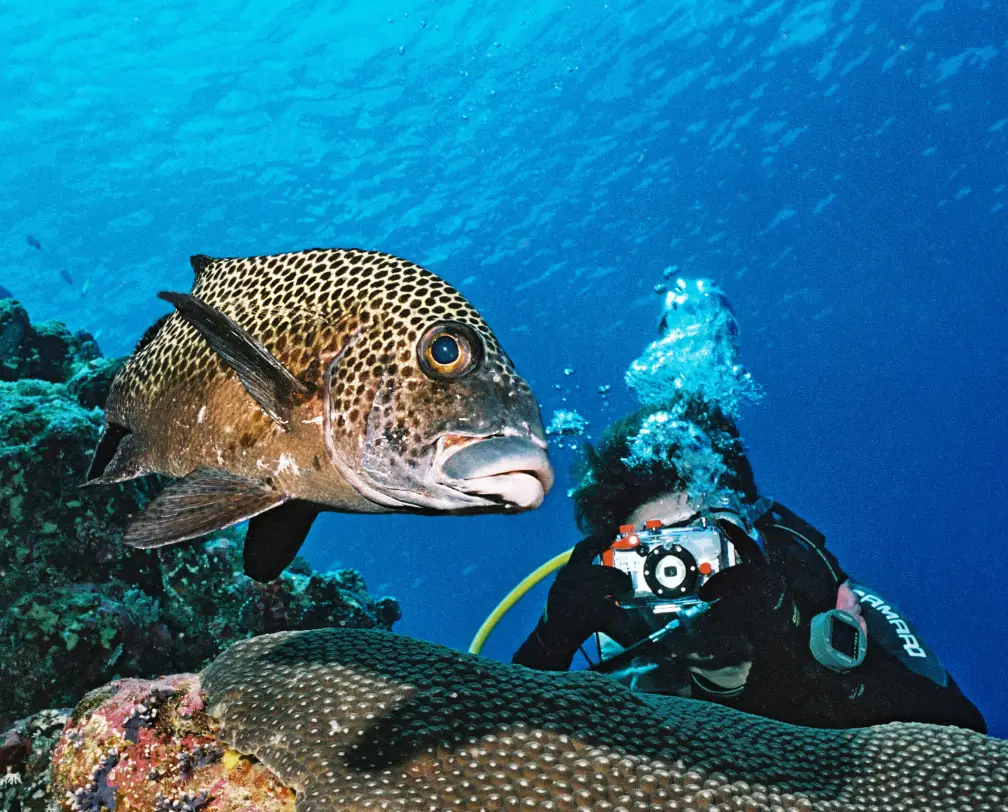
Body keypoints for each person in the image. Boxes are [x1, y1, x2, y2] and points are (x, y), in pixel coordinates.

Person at [513, 398, 987, 733]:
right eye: (656, 552)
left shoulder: (813, 588)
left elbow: (965, 736)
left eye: (703, 543)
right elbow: (511, 746)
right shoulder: (618, 622)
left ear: (745, 531)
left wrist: (785, 638)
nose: (680, 570)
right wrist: (551, 644)